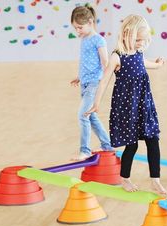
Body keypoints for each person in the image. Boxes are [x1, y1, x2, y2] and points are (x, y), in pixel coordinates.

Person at [85, 14, 167, 195]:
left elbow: (144, 64)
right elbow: (104, 81)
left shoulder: (139, 53)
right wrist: (96, 103)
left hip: (144, 104)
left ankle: (155, 180)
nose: (140, 43)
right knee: (132, 145)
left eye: (143, 40)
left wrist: (158, 64)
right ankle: (125, 178)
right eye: (137, 39)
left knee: (153, 140)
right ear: (126, 34)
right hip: (127, 107)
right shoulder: (117, 56)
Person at [70, 5, 113, 160]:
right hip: (85, 83)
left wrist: (104, 81)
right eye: (75, 28)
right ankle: (107, 145)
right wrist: (80, 76)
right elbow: (87, 62)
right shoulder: (84, 39)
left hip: (94, 83)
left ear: (90, 22)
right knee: (91, 117)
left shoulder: (98, 40)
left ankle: (85, 150)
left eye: (80, 27)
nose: (78, 31)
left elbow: (105, 62)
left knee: (83, 115)